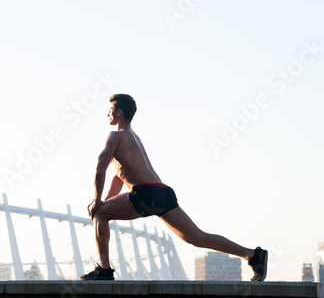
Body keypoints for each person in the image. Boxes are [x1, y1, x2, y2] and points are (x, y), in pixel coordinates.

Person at [80, 94, 268, 281]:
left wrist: (97, 202)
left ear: (119, 113)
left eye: (110, 110)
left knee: (99, 214)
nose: (107, 115)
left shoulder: (114, 136)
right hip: (163, 192)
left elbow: (99, 170)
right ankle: (251, 255)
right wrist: (105, 201)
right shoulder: (134, 138)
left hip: (146, 192)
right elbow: (119, 178)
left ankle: (104, 270)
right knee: (196, 238)